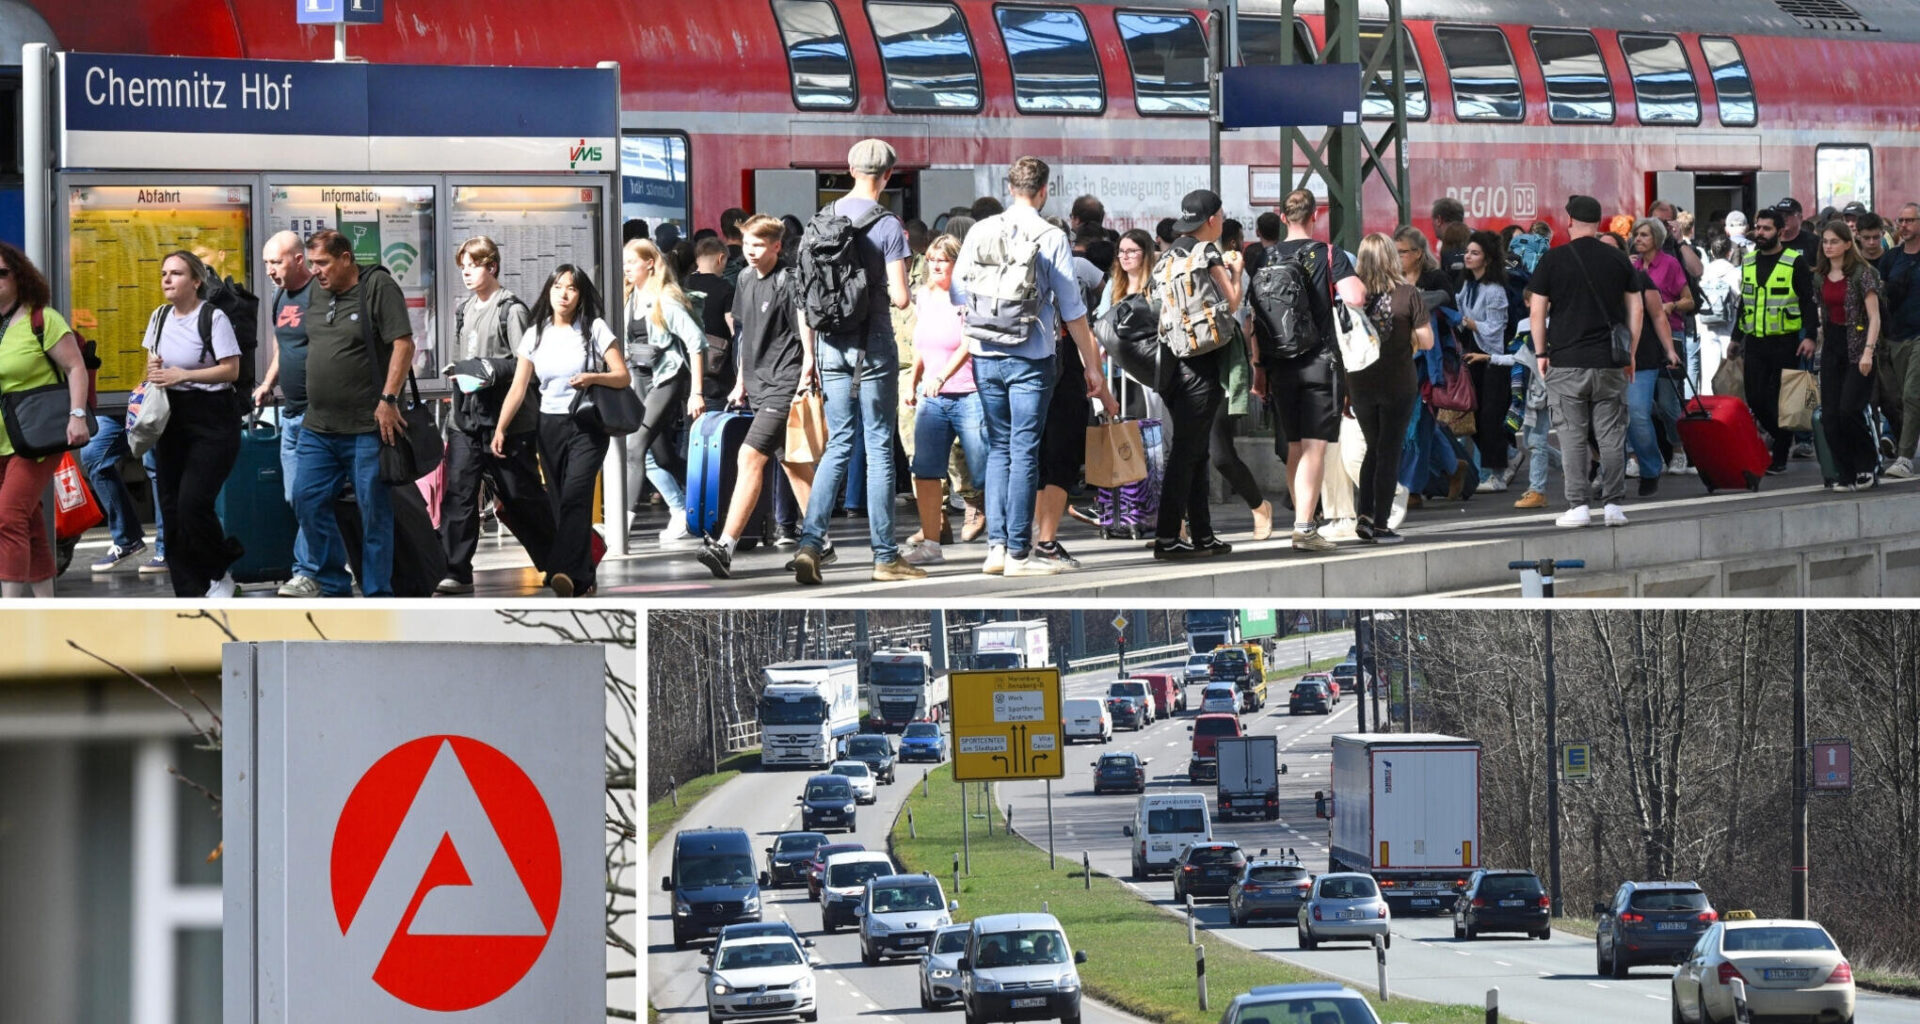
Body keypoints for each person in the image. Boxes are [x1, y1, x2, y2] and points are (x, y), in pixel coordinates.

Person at [950, 156, 1116, 576]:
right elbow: (1073, 307)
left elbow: (957, 293)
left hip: (985, 354)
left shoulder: (980, 230)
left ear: (1010, 188)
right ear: (1043, 191)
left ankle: (996, 549)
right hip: (1032, 354)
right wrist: (1091, 365)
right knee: (1025, 450)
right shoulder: (1050, 235)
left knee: (1000, 449)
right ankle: (1019, 553)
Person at [788, 139, 918, 585]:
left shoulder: (819, 221)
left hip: (829, 345)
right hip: (874, 342)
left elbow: (805, 300)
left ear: (847, 168)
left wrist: (810, 356)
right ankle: (885, 556)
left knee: (839, 442)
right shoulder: (888, 225)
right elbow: (900, 298)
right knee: (879, 444)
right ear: (888, 176)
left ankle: (810, 544)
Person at [292, 228, 416, 598]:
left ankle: (378, 593)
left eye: (323, 263)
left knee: (373, 512)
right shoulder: (316, 290)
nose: (316, 271)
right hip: (318, 426)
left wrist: (389, 400)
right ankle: (332, 581)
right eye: (312, 263)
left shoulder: (377, 287)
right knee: (305, 498)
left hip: (367, 426)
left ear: (346, 258)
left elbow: (404, 344)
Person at [695, 215, 818, 579]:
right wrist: (741, 382)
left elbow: (805, 329)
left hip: (785, 382)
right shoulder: (746, 278)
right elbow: (743, 333)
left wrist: (808, 369)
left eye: (760, 245)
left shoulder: (789, 281)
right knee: (792, 465)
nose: (751, 251)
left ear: (777, 247)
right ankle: (820, 540)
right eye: (748, 243)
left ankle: (726, 546)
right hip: (758, 384)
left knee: (750, 456)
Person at [493, 264, 628, 597]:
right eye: (557, 287)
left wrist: (593, 377)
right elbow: (519, 386)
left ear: (580, 295)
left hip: (587, 424)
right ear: (548, 291)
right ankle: (583, 576)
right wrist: (501, 427)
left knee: (575, 497)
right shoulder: (536, 332)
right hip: (549, 424)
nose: (563, 294)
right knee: (559, 504)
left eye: (571, 288)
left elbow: (622, 376)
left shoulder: (594, 328)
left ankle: (560, 570)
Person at [436, 235, 555, 595]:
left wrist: (489, 370)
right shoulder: (464, 310)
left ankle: (558, 560)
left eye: (473, 266)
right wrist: (460, 374)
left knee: (520, 496)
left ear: (492, 267)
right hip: (467, 421)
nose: (467, 274)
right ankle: (456, 570)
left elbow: (526, 367)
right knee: (458, 495)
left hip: (508, 423)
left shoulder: (511, 309)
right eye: (463, 268)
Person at [1526, 195, 1643, 528]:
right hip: (1609, 361)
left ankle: (1578, 506)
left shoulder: (1553, 260)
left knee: (1572, 435)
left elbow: (1537, 311)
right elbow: (1636, 309)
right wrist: (1630, 353)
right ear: (1599, 222)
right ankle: (1613, 506)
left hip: (1566, 360)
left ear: (1570, 221)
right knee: (1611, 435)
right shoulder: (1618, 260)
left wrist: (1541, 353)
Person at [1263, 188, 1366, 552]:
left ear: (1282, 215)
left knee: (1294, 446)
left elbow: (1253, 319)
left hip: (1280, 364)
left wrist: (1260, 370)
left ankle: (1301, 520)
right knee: (1315, 448)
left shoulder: (1267, 256)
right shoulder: (1329, 253)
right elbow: (1355, 296)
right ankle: (1305, 527)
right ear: (1315, 215)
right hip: (1320, 362)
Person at [141, 250, 244, 597]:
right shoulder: (158, 317)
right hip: (172, 416)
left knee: (192, 502)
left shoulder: (212, 318)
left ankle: (219, 571)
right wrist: (154, 374)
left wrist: (185, 374)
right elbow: (151, 366)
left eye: (176, 273)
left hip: (212, 416)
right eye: (164, 273)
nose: (167, 279)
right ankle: (187, 589)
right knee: (170, 507)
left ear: (196, 281)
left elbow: (231, 370)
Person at [1148, 189, 1241, 559]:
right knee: (1186, 454)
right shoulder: (1207, 252)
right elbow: (1231, 302)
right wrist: (1237, 270)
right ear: (1213, 219)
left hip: (1173, 365)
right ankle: (1167, 538)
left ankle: (1203, 535)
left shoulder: (1168, 255)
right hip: (1201, 365)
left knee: (1196, 452)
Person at [0, 243, 92, 597]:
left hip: (36, 437)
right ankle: (45, 605)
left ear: (19, 277)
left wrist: (77, 416)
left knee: (8, 517)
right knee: (30, 522)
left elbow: (75, 367)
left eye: (2, 273)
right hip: (3, 439)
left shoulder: (42, 320)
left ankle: (10, 612)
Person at [900, 235, 985, 566]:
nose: (935, 265)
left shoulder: (966, 297)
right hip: (932, 396)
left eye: (943, 260)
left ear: (956, 263)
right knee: (925, 469)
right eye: (932, 259)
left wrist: (942, 377)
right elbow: (922, 344)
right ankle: (931, 541)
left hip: (969, 394)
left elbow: (968, 342)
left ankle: (1006, 537)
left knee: (982, 469)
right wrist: (913, 381)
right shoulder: (923, 297)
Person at [623, 238, 708, 544]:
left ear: (649, 263)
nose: (626, 268)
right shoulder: (628, 298)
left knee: (635, 447)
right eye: (625, 263)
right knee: (661, 457)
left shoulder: (665, 300)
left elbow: (697, 343)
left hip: (665, 380)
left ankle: (622, 526)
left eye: (632, 262)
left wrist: (696, 392)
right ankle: (689, 507)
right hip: (638, 382)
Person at [1348, 233, 1432, 544]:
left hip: (1360, 382)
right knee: (1389, 451)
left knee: (1373, 447)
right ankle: (1381, 524)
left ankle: (1365, 515)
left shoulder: (1351, 296)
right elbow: (1427, 341)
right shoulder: (1408, 294)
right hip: (1398, 382)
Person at [251, 230, 321, 595]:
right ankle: (323, 564)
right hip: (290, 413)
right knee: (296, 496)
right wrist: (267, 383)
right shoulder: (281, 296)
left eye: (275, 262)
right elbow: (283, 346)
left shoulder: (319, 295)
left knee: (309, 495)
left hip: (317, 414)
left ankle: (309, 571)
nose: (269, 270)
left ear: (298, 259)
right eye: (266, 263)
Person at [1731, 207, 1819, 474]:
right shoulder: (1748, 262)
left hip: (1786, 342)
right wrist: (1736, 337)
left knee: (1783, 401)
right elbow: (1744, 304)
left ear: (1780, 232)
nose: (1760, 233)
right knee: (1756, 399)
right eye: (1758, 227)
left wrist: (1811, 337)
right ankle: (1783, 437)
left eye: (1766, 228)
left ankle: (1779, 457)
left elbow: (1807, 302)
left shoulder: (1794, 262)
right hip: (1755, 342)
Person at [1816, 221, 1884, 489]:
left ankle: (1867, 464)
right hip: (1832, 345)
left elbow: (1874, 316)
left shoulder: (1861, 274)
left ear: (1847, 244)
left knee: (1849, 410)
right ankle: (1844, 472)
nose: (1828, 246)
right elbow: (1823, 312)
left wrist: (1868, 351)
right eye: (1825, 242)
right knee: (1829, 416)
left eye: (1834, 241)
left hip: (1858, 347)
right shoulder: (1819, 276)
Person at [1622, 221, 1683, 492]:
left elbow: (1659, 315)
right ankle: (1623, 465)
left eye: (1644, 234)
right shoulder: (1629, 270)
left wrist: (1670, 350)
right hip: (1611, 356)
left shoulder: (1657, 270)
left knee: (1644, 411)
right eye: (1636, 235)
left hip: (1645, 353)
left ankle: (1654, 462)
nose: (1638, 239)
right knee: (1621, 415)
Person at [1455, 230, 1511, 488]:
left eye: (1474, 253)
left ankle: (1496, 473)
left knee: (1490, 417)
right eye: (1467, 251)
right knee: (1474, 416)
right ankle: (1509, 454)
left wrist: (1468, 322)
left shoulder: (1494, 290)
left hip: (1492, 359)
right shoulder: (1468, 286)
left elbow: (1496, 328)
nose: (1468, 256)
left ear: (1487, 259)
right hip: (1471, 356)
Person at [1880, 202, 1920, 475]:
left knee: (1911, 395)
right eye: (1900, 220)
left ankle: (1905, 457)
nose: (1903, 225)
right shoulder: (1891, 258)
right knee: (1894, 399)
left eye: (1909, 220)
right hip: (1894, 337)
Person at [683, 236, 738, 408]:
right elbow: (733, 328)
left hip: (686, 370)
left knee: (688, 427)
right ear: (721, 258)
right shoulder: (726, 288)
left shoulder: (683, 285)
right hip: (717, 373)